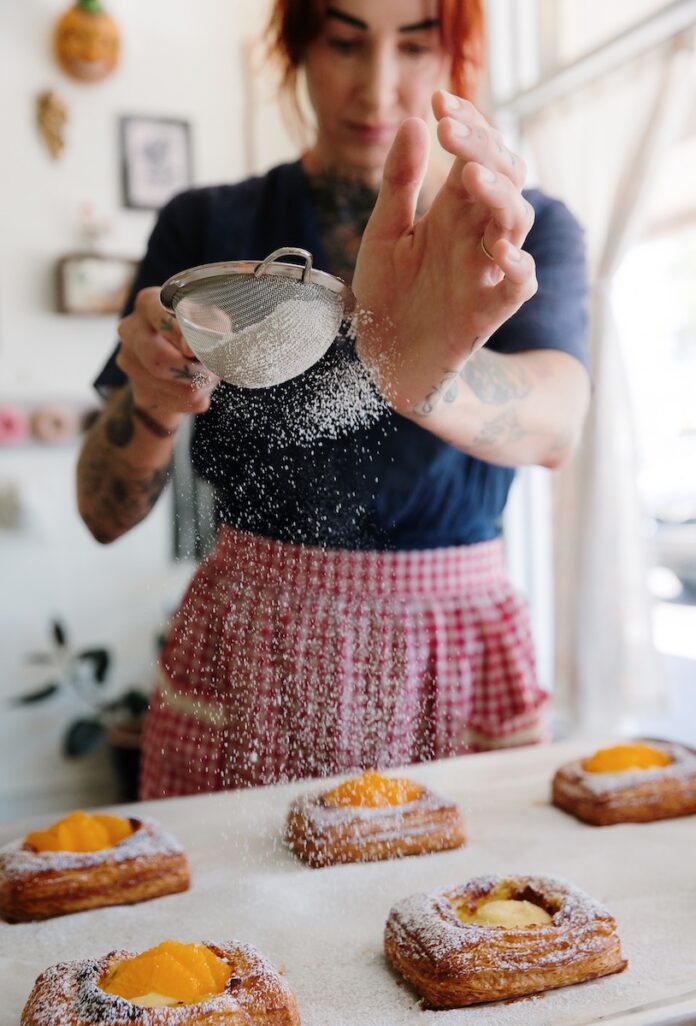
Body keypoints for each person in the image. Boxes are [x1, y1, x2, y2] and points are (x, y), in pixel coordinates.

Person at [77, 0, 591, 800]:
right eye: (345, 44)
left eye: (415, 46)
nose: (377, 87)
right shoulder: (208, 224)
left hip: (452, 648)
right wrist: (150, 401)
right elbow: (103, 514)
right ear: (295, 52)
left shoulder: (518, 229)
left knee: (464, 911)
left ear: (457, 58)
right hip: (249, 640)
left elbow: (557, 422)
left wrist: (421, 371)